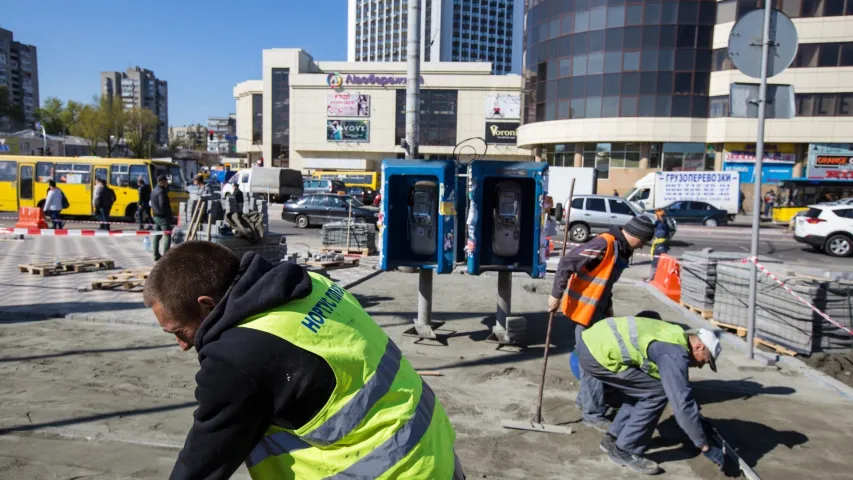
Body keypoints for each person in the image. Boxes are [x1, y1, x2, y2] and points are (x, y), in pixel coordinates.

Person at [143, 242, 462, 479]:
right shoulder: (310, 286)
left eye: (178, 330)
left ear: (206, 305)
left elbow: (202, 464)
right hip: (432, 451)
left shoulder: (236, 358)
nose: (182, 344)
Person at [576, 312, 724, 475]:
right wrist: (704, 445)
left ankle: (613, 437)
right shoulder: (674, 354)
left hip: (594, 340)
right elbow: (681, 404)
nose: (701, 365)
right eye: (705, 360)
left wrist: (695, 416)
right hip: (598, 354)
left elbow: (677, 387)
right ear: (699, 347)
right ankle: (625, 449)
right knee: (658, 392)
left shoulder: (675, 334)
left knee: (646, 387)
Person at [548, 216, 655, 432]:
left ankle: (585, 401)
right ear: (635, 235)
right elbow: (568, 261)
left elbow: (604, 281)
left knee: (592, 359)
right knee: (594, 362)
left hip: (596, 311)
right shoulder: (604, 244)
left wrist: (607, 307)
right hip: (583, 311)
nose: (643, 245)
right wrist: (556, 294)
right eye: (643, 241)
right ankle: (593, 414)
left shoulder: (621, 248)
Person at [150, 175, 172, 261]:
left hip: (156, 216)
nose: (167, 183)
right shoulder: (161, 192)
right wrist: (168, 215)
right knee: (167, 235)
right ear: (162, 182)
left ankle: (156, 255)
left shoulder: (154, 190)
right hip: (163, 217)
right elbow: (163, 205)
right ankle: (166, 257)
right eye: (166, 181)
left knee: (157, 235)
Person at [646, 209, 671, 282]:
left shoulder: (662, 225)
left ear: (658, 216)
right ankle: (654, 278)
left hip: (660, 244)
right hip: (661, 244)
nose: (654, 216)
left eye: (655, 215)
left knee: (656, 262)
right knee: (657, 261)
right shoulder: (660, 223)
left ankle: (651, 278)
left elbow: (661, 234)